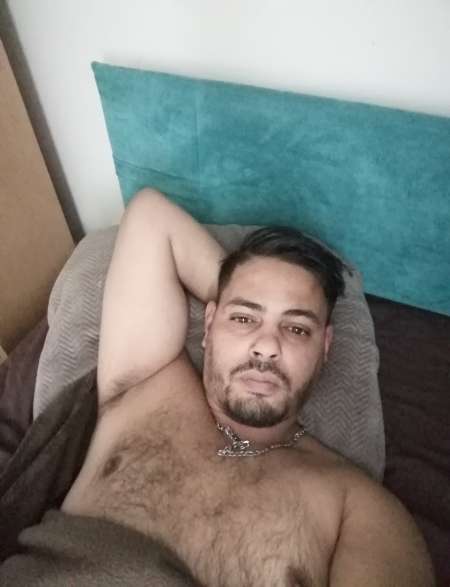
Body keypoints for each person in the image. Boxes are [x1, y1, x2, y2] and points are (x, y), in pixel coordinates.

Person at [62, 188, 434, 586]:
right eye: (243, 319)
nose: (267, 346)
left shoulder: (357, 510)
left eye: (296, 328)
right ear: (209, 324)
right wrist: (239, 290)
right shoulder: (145, 385)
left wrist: (244, 305)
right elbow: (150, 217)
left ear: (326, 347)